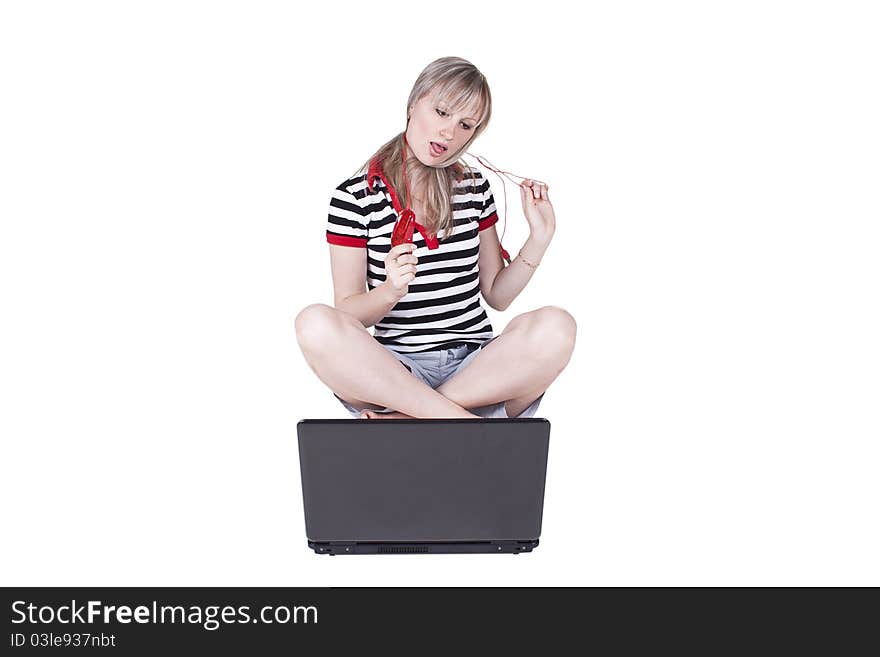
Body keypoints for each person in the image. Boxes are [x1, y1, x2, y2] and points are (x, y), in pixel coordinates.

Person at [295, 56, 576, 419]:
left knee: (558, 327)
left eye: (465, 125)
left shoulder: (474, 187)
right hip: (395, 371)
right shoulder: (354, 198)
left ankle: (409, 418)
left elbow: (497, 295)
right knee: (314, 324)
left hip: (477, 369)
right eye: (441, 112)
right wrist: (390, 291)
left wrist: (539, 238)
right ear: (414, 103)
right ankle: (455, 418)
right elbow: (348, 313)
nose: (449, 133)